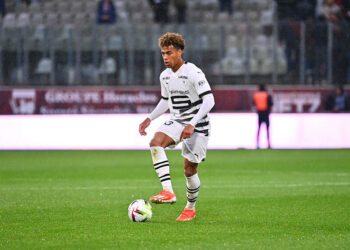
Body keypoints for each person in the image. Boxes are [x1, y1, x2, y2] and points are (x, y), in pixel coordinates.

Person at [139, 32, 215, 221]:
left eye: (169, 53)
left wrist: (192, 124)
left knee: (189, 171)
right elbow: (166, 101)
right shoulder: (164, 76)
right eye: (163, 53)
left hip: (198, 125)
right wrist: (149, 118)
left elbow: (209, 100)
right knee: (156, 142)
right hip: (178, 121)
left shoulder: (193, 72)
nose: (165, 57)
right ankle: (168, 191)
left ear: (180, 52)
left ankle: (190, 207)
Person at [253, 84, 273, 149]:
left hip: (259, 112)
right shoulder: (267, 95)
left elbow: (253, 104)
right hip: (266, 112)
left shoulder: (256, 95)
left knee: (259, 128)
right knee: (267, 129)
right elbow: (271, 104)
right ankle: (268, 143)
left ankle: (257, 143)